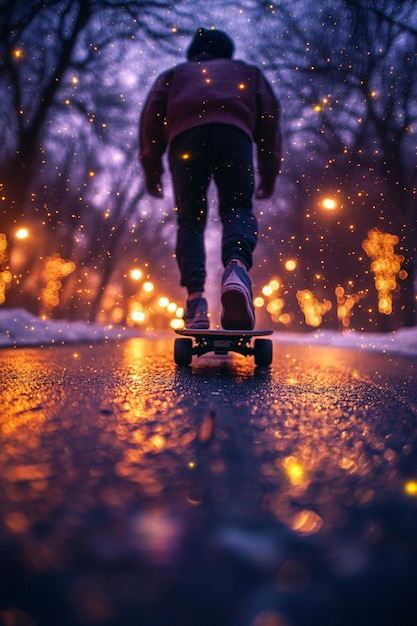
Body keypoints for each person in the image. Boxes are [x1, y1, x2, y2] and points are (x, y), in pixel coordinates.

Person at [139, 27, 281, 329]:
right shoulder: (247, 72)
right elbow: (269, 121)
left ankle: (195, 300)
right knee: (237, 208)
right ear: (228, 52)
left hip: (185, 141)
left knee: (190, 220)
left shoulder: (174, 75)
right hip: (235, 137)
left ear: (193, 52)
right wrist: (269, 172)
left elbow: (152, 116)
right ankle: (236, 270)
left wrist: (152, 167)